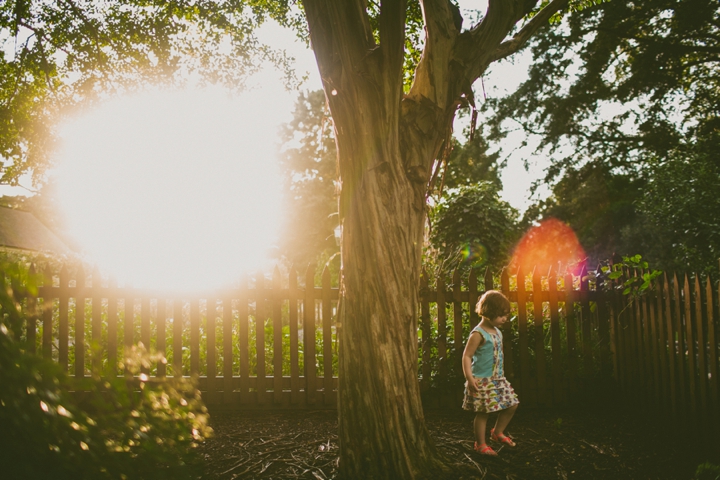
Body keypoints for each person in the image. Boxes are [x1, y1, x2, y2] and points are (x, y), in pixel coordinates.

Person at [462, 290, 519, 456]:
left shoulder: (497, 332)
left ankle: (497, 433)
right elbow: (467, 356)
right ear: (490, 312)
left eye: (505, 315)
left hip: (498, 379)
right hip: (481, 380)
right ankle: (480, 444)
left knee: (513, 404)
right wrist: (469, 378)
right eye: (501, 315)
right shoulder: (478, 334)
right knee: (483, 413)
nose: (504, 319)